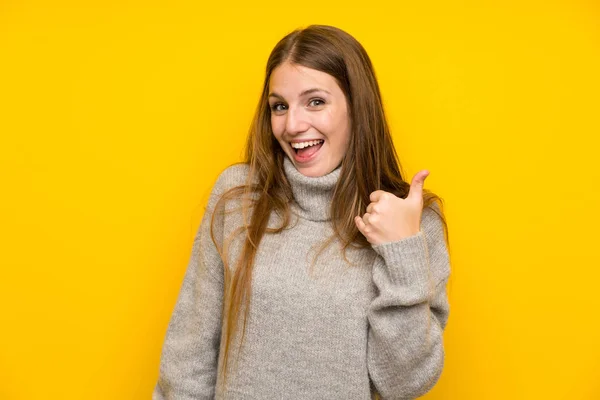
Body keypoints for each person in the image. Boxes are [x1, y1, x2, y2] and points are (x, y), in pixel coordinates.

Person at [153, 24, 451, 400]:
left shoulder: (413, 222)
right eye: (280, 106)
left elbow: (403, 383)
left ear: (358, 108)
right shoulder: (238, 197)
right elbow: (188, 357)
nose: (292, 125)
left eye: (315, 102)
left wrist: (402, 250)